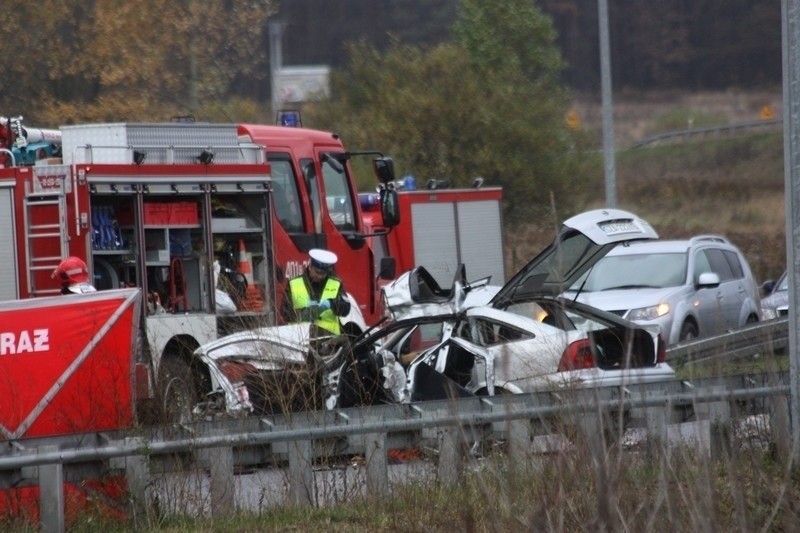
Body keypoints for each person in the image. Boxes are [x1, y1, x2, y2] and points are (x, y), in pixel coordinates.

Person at [281, 248, 351, 335]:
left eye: (323, 274)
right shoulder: (293, 283)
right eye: (317, 272)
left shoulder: (336, 284)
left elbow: (346, 309)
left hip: (329, 340)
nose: (319, 276)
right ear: (310, 267)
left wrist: (331, 304)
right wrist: (304, 314)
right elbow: (285, 313)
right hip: (301, 340)